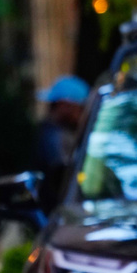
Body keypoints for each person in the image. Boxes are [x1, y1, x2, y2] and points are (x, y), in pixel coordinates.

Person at [33, 75, 90, 210]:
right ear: (66, 105)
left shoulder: (54, 132)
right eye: (81, 108)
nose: (83, 113)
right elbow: (63, 177)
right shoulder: (54, 138)